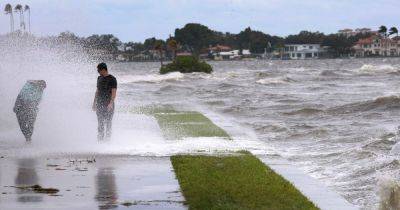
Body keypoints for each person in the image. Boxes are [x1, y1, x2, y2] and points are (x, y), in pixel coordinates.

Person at [92, 63, 117, 140]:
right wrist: (94, 103)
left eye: (98, 70)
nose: (98, 72)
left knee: (108, 123)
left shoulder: (112, 79)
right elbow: (97, 91)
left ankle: (108, 141)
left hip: (108, 104)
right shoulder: (99, 78)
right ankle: (100, 140)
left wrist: (111, 103)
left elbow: (114, 92)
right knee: (100, 123)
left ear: (103, 69)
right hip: (99, 103)